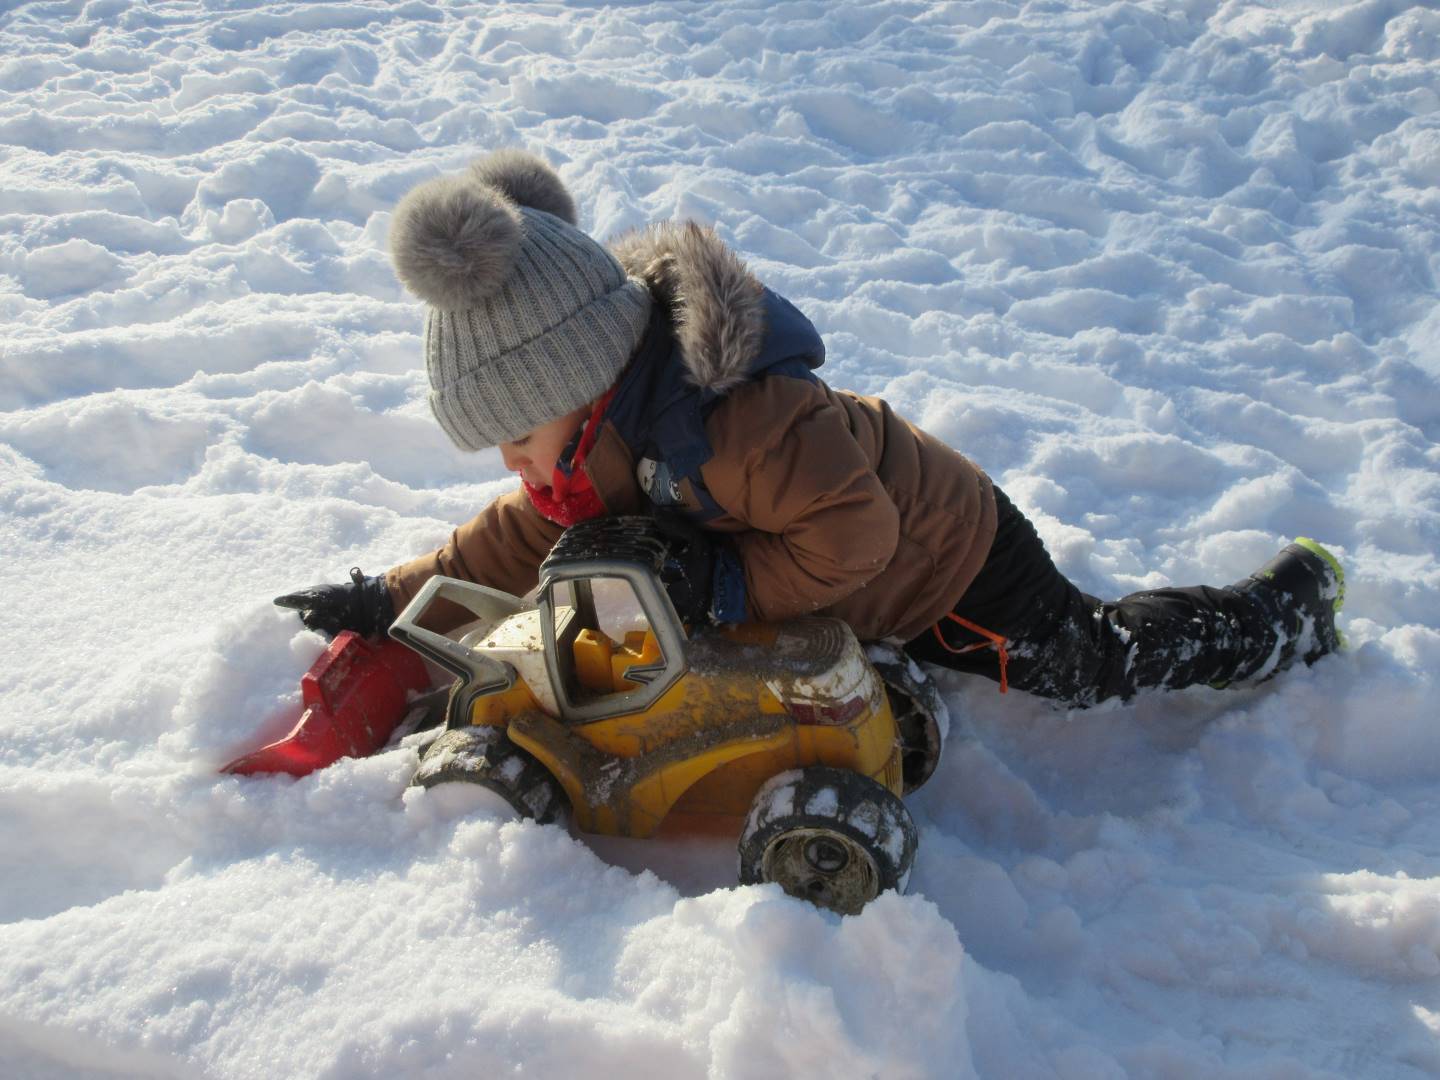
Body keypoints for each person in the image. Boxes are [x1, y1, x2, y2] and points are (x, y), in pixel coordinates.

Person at [275, 149, 1344, 709]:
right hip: (847, 563)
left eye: (517, 431)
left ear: (585, 378)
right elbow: (518, 537)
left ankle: (1284, 612)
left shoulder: (742, 423)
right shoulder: (594, 442)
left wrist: (723, 587)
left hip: (941, 563)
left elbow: (857, 537)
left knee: (1086, 665)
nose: (515, 462)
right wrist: (391, 596)